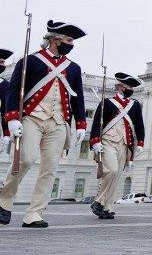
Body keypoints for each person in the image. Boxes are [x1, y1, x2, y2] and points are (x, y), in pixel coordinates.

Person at [0, 21, 87, 228]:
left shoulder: (73, 68)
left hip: (58, 122)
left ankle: (34, 213)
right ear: (54, 39)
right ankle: (4, 200)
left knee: (50, 168)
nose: (71, 44)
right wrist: (12, 118)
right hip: (32, 117)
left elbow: (78, 98)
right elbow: (13, 91)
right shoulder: (30, 61)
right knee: (26, 159)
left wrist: (81, 123)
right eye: (68, 39)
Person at [90, 72, 145, 219]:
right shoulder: (107, 103)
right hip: (107, 141)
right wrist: (95, 141)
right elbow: (97, 123)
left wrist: (140, 142)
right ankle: (98, 201)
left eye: (132, 87)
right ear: (120, 87)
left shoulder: (135, 105)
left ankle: (107, 207)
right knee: (112, 170)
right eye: (128, 87)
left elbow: (139, 125)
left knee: (116, 176)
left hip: (124, 144)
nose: (131, 90)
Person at [0, 49, 13, 152]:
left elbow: (4, 109)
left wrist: (6, 133)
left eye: (3, 62)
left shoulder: (5, 85)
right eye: (0, 62)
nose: (2, 65)